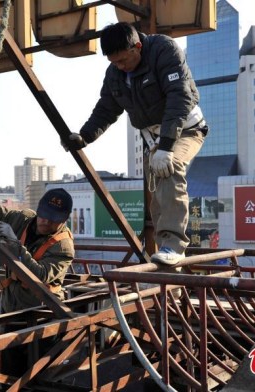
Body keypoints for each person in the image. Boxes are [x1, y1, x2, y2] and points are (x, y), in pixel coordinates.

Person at [63, 22, 207, 266]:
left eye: (123, 60)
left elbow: (179, 96)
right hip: (153, 139)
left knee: (170, 169)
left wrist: (167, 146)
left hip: (185, 130)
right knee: (158, 195)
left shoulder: (164, 50)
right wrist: (85, 136)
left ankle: (174, 245)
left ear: (137, 46)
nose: (120, 66)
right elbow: (107, 109)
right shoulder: (115, 73)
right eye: (114, 62)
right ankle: (165, 250)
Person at [0, 188, 74, 378]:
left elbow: (39, 275)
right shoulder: (23, 219)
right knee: (10, 371)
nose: (45, 221)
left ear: (63, 220)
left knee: (40, 374)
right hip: (13, 310)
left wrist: (14, 242)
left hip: (43, 315)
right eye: (43, 215)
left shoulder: (63, 246)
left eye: (53, 219)